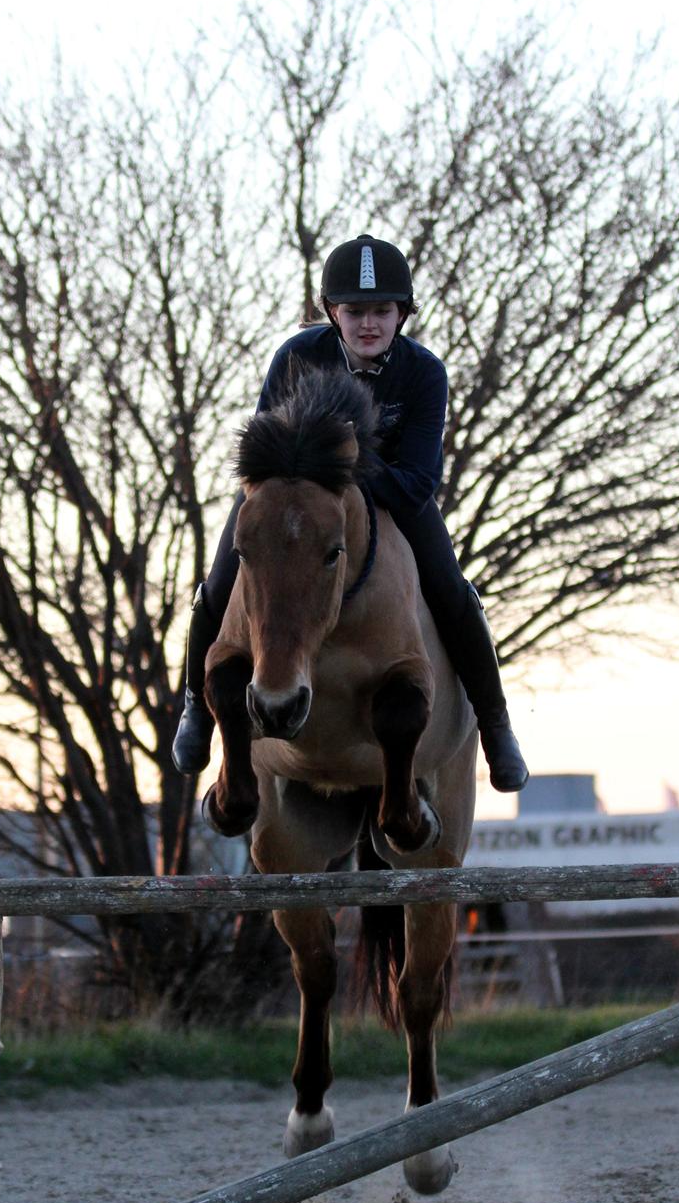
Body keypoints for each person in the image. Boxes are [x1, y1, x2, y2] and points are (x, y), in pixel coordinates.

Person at [171, 233, 529, 793]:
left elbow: (416, 483)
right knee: (218, 583)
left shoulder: (424, 374)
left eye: (382, 311)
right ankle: (196, 705)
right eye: (355, 311)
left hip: (394, 501)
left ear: (402, 313)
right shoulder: (296, 356)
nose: (369, 324)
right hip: (293, 504)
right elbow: (263, 452)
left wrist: (350, 467)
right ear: (331, 312)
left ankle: (496, 726)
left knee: (455, 591)